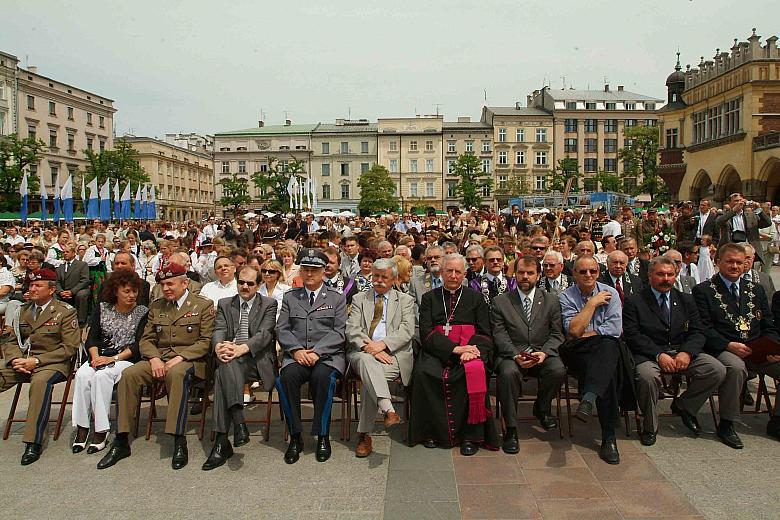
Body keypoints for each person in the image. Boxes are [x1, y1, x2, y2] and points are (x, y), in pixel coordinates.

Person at [97, 262, 214, 470]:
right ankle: (121, 439)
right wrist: (154, 358)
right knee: (129, 374)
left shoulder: (202, 305)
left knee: (176, 374)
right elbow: (146, 339)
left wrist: (181, 357)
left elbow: (205, 341)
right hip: (159, 358)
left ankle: (178, 439)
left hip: (190, 361)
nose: (166, 288)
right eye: (162, 284)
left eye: (170, 284)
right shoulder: (157, 306)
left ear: (185, 283)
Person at [623, 256, 725, 446]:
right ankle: (649, 426)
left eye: (670, 275)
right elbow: (633, 335)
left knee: (716, 369)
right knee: (646, 377)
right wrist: (658, 355)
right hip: (649, 354)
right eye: (660, 274)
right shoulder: (635, 301)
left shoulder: (686, 300)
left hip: (681, 351)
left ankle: (685, 406)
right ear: (650, 275)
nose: (666, 279)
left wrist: (687, 353)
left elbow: (698, 331)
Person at [408, 253, 500, 455]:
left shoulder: (476, 298)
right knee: (423, 373)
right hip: (436, 351)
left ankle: (471, 436)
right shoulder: (429, 298)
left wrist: (472, 350)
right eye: (449, 271)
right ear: (441, 273)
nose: (453, 275)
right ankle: (431, 432)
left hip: (470, 350)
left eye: (458, 271)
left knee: (473, 372)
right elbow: (426, 332)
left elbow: (484, 332)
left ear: (465, 274)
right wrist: (454, 349)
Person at [693, 243, 780, 447]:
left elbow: (768, 325)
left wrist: (772, 347)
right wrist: (727, 345)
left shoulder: (756, 290)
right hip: (724, 348)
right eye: (730, 262)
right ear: (718, 262)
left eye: (739, 262)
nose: (734, 266)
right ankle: (727, 423)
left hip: (757, 349)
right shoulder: (703, 290)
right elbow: (703, 327)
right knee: (736, 367)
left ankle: (777, 421)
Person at [0, 268, 79, 465]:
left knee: (40, 383)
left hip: (52, 364)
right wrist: (14, 360)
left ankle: (33, 442)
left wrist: (35, 361)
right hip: (22, 362)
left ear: (51, 290)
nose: (32, 289)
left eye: (38, 285)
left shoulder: (65, 312)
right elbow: (11, 341)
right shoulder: (23, 311)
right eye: (31, 285)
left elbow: (69, 347)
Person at [202, 266, 278, 470]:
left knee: (223, 371)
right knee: (225, 367)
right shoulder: (225, 303)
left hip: (256, 360)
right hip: (230, 358)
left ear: (259, 285)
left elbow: (265, 334)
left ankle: (226, 436)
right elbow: (219, 329)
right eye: (241, 282)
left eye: (250, 283)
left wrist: (239, 349)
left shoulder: (268, 304)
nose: (244, 286)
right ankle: (231, 431)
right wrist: (219, 347)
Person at [275, 249, 347, 464]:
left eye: (314, 270)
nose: (309, 274)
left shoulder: (337, 298)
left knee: (322, 378)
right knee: (285, 379)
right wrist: (296, 350)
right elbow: (282, 328)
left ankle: (322, 435)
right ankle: (295, 436)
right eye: (305, 269)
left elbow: (339, 332)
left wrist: (317, 352)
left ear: (324, 271)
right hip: (297, 354)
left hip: (327, 356)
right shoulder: (291, 297)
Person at [491, 256, 565, 454]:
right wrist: (515, 355)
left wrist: (545, 353)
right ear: (514, 275)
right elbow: (499, 334)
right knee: (508, 374)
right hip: (512, 355)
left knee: (558, 370)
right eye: (521, 272)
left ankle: (542, 408)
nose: (525, 276)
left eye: (530, 273)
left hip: (541, 353)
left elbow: (557, 334)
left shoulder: (551, 300)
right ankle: (511, 429)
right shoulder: (500, 302)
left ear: (538, 275)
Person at [72, 269, 148, 455]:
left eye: (134, 291)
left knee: (103, 375)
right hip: (100, 355)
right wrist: (95, 357)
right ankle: (82, 427)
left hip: (125, 358)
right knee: (82, 375)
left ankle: (101, 429)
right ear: (115, 291)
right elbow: (92, 338)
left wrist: (112, 359)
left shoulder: (142, 312)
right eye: (127, 291)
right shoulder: (103, 308)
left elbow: (138, 345)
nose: (132, 295)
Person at [346, 258, 415, 457]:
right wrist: (371, 348)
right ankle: (388, 410)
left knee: (370, 377)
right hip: (363, 352)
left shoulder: (405, 300)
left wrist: (382, 345)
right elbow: (352, 329)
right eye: (376, 276)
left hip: (393, 356)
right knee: (367, 363)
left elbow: (407, 330)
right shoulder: (360, 299)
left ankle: (364, 435)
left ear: (393, 279)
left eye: (384, 277)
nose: (378, 280)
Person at [560, 256, 624, 464]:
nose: (588, 275)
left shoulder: (611, 293)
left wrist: (586, 333)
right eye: (583, 272)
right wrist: (592, 304)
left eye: (593, 271)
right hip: (578, 352)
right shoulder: (566, 296)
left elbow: (614, 330)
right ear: (574, 274)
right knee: (606, 358)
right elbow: (574, 332)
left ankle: (590, 399)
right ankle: (609, 435)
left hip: (604, 350)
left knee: (607, 355)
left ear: (598, 272)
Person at [716, 192, 772, 267]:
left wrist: (759, 209)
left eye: (740, 200)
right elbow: (719, 222)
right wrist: (733, 211)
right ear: (730, 203)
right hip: (731, 248)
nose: (739, 203)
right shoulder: (724, 214)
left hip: (747, 247)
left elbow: (767, 223)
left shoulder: (751, 215)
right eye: (736, 201)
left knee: (747, 270)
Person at [54, 243, 91, 327]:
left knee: (81, 295)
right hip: (63, 291)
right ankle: (57, 319)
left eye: (67, 252)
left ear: (74, 253)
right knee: (53, 295)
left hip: (78, 290)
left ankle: (81, 321)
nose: (65, 254)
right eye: (64, 252)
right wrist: (60, 292)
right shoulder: (60, 267)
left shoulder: (82, 264)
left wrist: (72, 291)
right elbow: (57, 282)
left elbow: (84, 280)